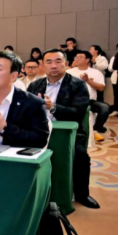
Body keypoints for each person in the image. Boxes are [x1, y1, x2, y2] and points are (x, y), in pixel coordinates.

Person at [28, 49, 98, 209]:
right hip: (38, 131)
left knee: (81, 156)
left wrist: (53, 108)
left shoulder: (77, 84)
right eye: (49, 62)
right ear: (42, 65)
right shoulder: (35, 85)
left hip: (69, 134)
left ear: (66, 64)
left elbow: (79, 112)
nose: (53, 65)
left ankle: (83, 194)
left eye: (58, 61)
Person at [68, 51, 110, 140]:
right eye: (76, 57)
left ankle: (95, 129)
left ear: (87, 60)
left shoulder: (96, 72)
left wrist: (88, 80)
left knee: (105, 108)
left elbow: (101, 88)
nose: (77, 59)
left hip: (89, 101)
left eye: (80, 57)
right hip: (72, 100)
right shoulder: (69, 72)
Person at [110, 47, 118, 115]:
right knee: (116, 94)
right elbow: (112, 67)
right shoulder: (115, 56)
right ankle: (116, 109)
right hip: (116, 77)